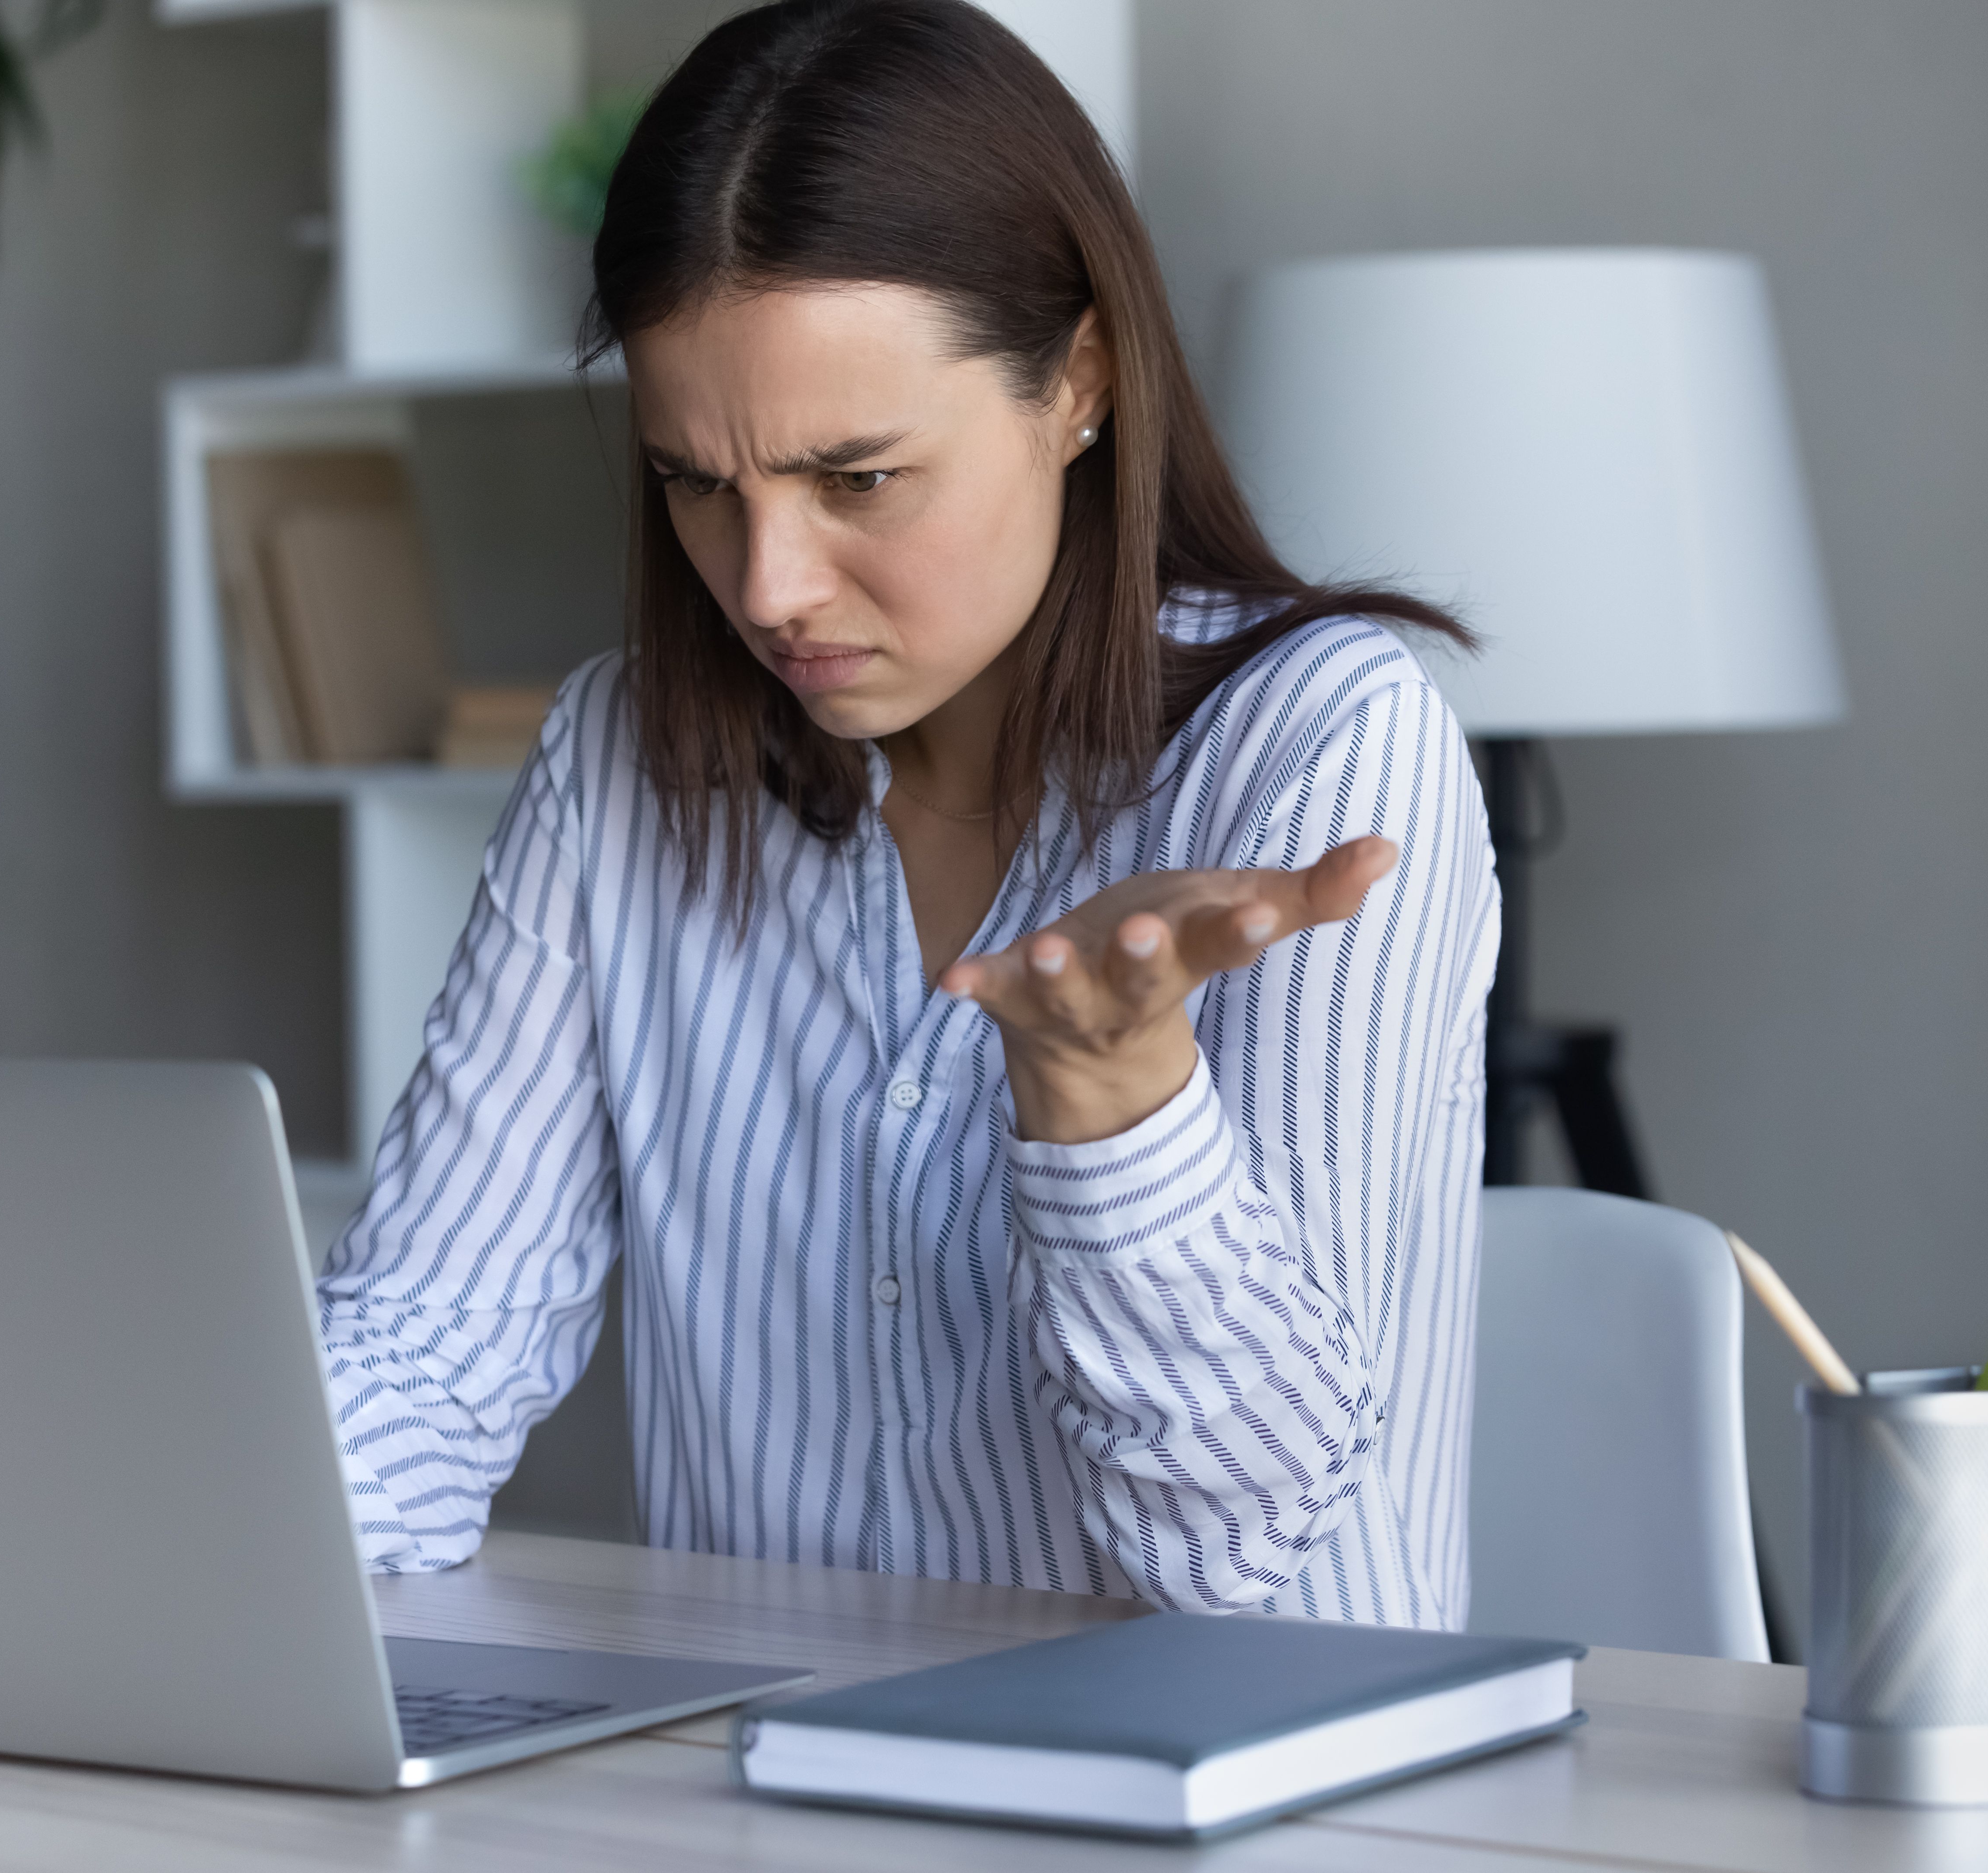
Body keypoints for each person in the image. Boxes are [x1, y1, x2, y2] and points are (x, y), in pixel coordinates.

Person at [319, 0, 1499, 1628]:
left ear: (1078, 382)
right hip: (763, 1761)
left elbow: (1242, 1553)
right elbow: (419, 1354)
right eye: (696, 483)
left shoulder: (1322, 746)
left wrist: (1112, 1113)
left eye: (857, 479)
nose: (768, 587)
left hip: (1238, 1761)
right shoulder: (621, 760)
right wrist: (157, 1558)